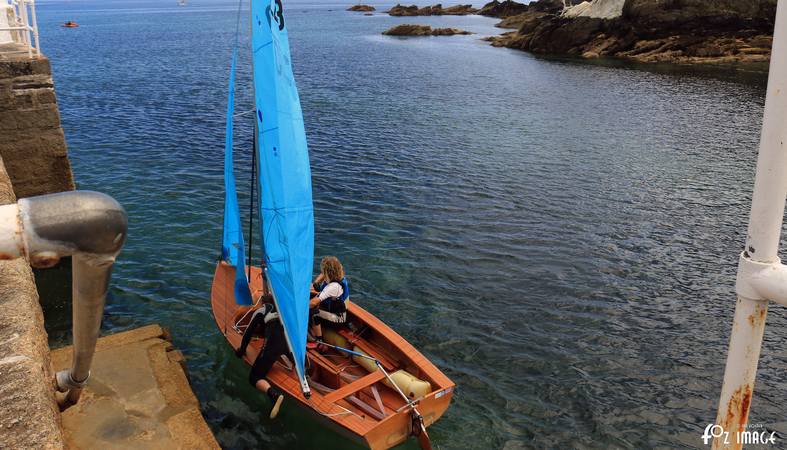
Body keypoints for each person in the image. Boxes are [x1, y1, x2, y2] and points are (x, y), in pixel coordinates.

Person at [235, 298, 288, 419]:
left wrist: (241, 351)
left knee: (254, 377)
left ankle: (274, 395)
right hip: (290, 344)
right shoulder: (284, 308)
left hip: (274, 344)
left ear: (262, 303)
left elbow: (248, 333)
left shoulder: (262, 310)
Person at [309, 256, 350, 345]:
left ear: (329, 272)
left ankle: (319, 340)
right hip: (331, 308)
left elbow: (313, 303)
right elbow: (323, 274)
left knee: (314, 312)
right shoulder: (339, 273)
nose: (323, 273)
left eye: (324, 271)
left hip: (338, 318)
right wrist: (316, 282)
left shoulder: (334, 287)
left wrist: (299, 308)